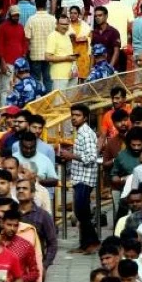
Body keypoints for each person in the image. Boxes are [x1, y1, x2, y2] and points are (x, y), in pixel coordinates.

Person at [62, 104, 100, 254]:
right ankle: (84, 244)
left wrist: (71, 156)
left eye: (77, 115)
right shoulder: (80, 132)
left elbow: (92, 157)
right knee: (80, 212)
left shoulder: (86, 133)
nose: (73, 118)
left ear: (85, 117)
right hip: (79, 177)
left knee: (82, 212)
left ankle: (93, 242)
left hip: (85, 177)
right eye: (72, 115)